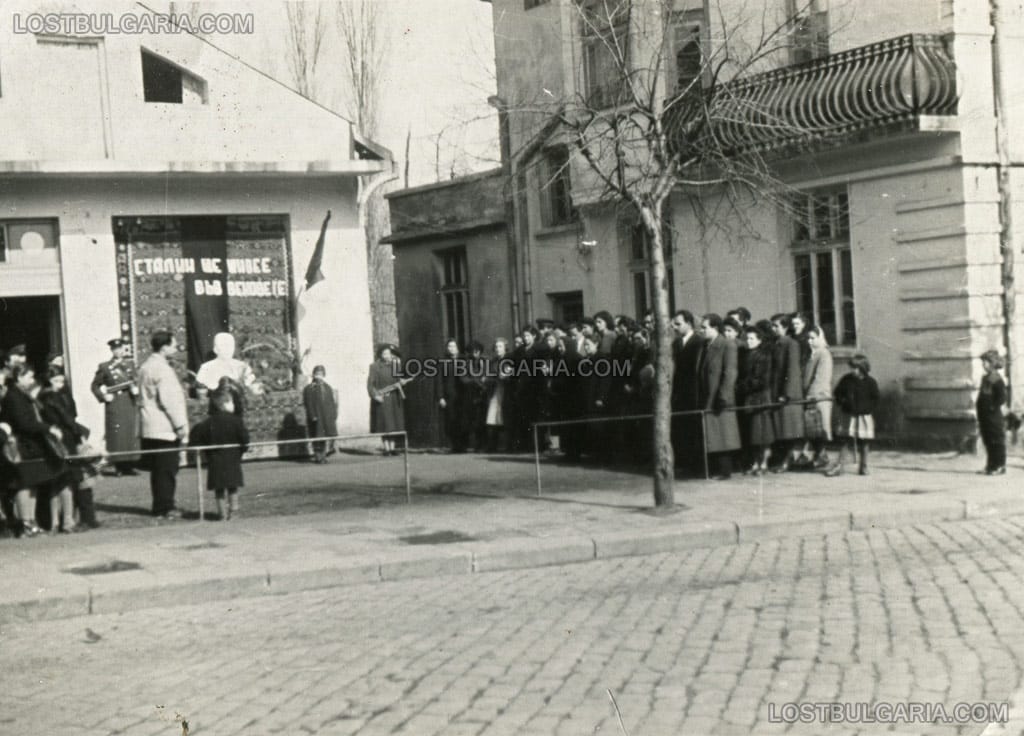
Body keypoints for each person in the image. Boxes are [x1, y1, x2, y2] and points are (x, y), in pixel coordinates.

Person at [1, 365, 66, 536]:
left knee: (32, 485)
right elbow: (24, 423)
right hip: (23, 446)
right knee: (24, 485)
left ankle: (31, 522)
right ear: (19, 377)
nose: (32, 381)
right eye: (29, 377)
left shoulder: (23, 394)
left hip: (31, 446)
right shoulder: (14, 396)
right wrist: (48, 428)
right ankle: (26, 523)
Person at [40, 368, 99, 531]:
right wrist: (79, 433)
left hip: (69, 437)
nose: (59, 384)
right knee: (73, 478)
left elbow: (71, 416)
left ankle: (79, 517)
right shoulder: (49, 398)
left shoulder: (60, 396)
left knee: (78, 478)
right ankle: (75, 518)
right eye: (56, 381)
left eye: (61, 381)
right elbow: (66, 418)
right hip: (63, 440)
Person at [138, 330, 189, 519]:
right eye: (173, 345)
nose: (176, 348)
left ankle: (160, 505)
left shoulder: (146, 366)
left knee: (159, 470)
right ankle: (165, 507)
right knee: (167, 470)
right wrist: (180, 425)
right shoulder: (162, 369)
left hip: (150, 426)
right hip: (164, 427)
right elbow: (169, 401)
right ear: (164, 347)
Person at [190, 388, 249, 520]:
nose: (234, 405)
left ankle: (221, 513)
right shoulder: (236, 421)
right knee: (233, 487)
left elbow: (197, 437)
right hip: (232, 458)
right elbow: (244, 439)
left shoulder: (207, 423)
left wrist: (206, 450)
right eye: (232, 402)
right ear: (225, 404)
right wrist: (241, 450)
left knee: (219, 489)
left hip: (215, 459)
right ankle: (234, 511)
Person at [699, 314, 741, 480]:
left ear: (715, 328)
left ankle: (726, 470)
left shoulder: (726, 345)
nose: (701, 330)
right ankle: (717, 469)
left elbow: (730, 372)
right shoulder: (706, 346)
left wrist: (723, 396)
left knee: (722, 434)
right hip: (707, 394)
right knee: (713, 433)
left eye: (704, 327)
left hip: (719, 397)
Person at [90, 338, 140, 475]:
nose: (118, 351)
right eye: (115, 349)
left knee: (129, 434)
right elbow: (94, 386)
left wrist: (136, 389)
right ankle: (118, 466)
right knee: (117, 435)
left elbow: (135, 380)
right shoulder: (105, 367)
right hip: (115, 403)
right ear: (112, 350)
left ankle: (129, 465)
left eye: (120, 348)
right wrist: (103, 396)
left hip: (128, 401)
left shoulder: (130, 364)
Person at [827, 353, 880, 477]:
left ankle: (864, 466)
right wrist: (843, 402)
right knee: (846, 441)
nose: (852, 371)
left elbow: (876, 399)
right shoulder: (846, 380)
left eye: (855, 368)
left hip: (863, 417)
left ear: (863, 368)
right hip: (849, 415)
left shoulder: (870, 382)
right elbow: (837, 393)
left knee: (864, 442)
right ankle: (839, 466)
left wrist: (867, 409)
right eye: (851, 368)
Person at [769, 313, 805, 472]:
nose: (773, 329)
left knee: (788, 430)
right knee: (780, 429)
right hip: (775, 393)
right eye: (772, 325)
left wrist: (787, 393)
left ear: (785, 327)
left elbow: (792, 370)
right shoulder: (775, 343)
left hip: (787, 396)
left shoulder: (791, 344)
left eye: (776, 326)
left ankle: (786, 461)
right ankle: (781, 460)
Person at [671, 310, 705, 476]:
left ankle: (695, 465)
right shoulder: (676, 344)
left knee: (694, 429)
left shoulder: (698, 342)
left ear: (689, 323)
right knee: (681, 429)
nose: (674, 327)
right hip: (680, 393)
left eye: (678, 324)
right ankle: (684, 463)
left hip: (693, 392)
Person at [194, 332, 261, 415]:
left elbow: (254, 390)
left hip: (240, 411)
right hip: (216, 412)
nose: (228, 350)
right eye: (224, 346)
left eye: (230, 346)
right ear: (216, 349)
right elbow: (201, 395)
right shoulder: (205, 368)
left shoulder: (243, 366)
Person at [740, 324, 775, 474]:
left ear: (760, 340)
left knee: (762, 433)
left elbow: (761, 379)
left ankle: (764, 463)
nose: (748, 341)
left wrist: (742, 387)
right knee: (753, 434)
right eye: (747, 338)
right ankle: (755, 462)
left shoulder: (763, 356)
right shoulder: (746, 355)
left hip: (760, 398)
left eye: (752, 338)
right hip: (750, 398)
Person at [802, 326, 834, 469]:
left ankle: (821, 455)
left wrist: (811, 395)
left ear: (820, 338)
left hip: (818, 397)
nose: (809, 341)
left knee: (819, 428)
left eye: (813, 338)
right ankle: (819, 455)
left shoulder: (824, 354)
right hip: (810, 396)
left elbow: (821, 377)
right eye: (808, 338)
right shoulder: (812, 354)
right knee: (812, 429)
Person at [368, 345, 407, 456]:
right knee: (385, 424)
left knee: (394, 424)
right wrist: (375, 395)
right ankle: (386, 448)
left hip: (394, 398)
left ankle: (393, 448)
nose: (387, 356)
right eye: (384, 353)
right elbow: (370, 384)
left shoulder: (395, 365)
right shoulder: (374, 367)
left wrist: (402, 382)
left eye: (389, 353)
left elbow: (399, 379)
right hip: (383, 398)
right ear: (380, 354)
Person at [975, 350, 1007, 475]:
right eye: (983, 362)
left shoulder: (996, 379)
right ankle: (990, 465)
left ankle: (1000, 465)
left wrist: (992, 407)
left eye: (986, 362)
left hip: (993, 417)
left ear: (993, 363)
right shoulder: (985, 378)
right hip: (985, 416)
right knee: (988, 440)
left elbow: (1002, 397)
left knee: (996, 441)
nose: (984, 364)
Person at [437, 338, 468, 453]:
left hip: (463, 396)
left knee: (463, 420)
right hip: (450, 396)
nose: (451, 349)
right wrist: (440, 397)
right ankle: (455, 445)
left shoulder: (464, 359)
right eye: (449, 346)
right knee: (451, 421)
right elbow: (439, 380)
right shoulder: (444, 362)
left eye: (453, 346)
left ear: (457, 348)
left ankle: (463, 445)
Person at [303, 365, 339, 463]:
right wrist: (312, 415)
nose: (319, 376)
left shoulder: (327, 387)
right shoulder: (309, 388)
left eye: (321, 374)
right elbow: (308, 403)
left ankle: (324, 455)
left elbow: (332, 402)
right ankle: (318, 456)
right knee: (316, 436)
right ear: (313, 375)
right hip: (316, 417)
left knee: (324, 436)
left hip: (326, 416)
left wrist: (333, 414)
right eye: (317, 374)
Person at [485, 339, 512, 452]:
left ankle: (509, 446)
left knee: (506, 417)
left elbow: (509, 376)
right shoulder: (493, 362)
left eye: (500, 346)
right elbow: (490, 376)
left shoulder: (509, 360)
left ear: (505, 348)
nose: (497, 349)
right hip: (495, 391)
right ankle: (492, 446)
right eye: (496, 347)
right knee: (493, 418)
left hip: (507, 391)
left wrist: (505, 376)